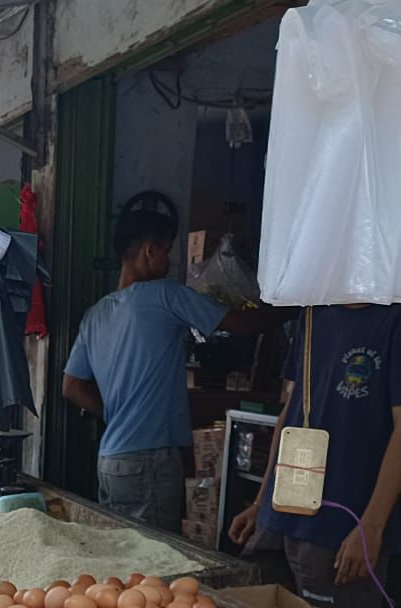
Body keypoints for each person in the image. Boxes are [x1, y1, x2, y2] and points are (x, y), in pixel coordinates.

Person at [228, 303, 401, 608]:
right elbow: (291, 410)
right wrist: (262, 500)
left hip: (341, 527)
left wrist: (371, 526)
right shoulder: (313, 312)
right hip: (280, 516)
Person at [61, 207, 276, 532]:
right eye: (166, 251)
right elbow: (242, 324)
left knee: (120, 553)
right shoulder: (165, 295)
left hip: (110, 460)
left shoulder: (96, 314)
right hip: (148, 460)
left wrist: (119, 416)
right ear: (150, 250)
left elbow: (72, 387)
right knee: (154, 557)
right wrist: (298, 307)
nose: (170, 262)